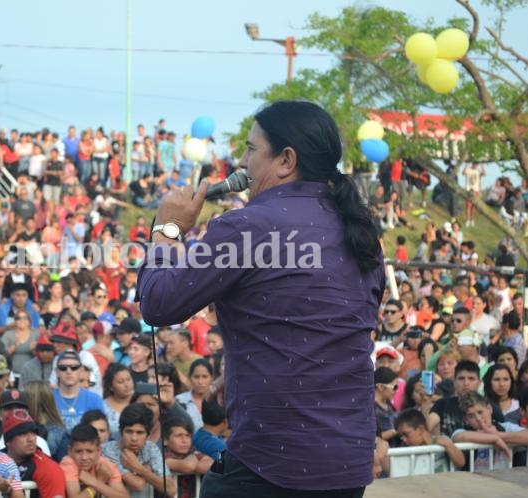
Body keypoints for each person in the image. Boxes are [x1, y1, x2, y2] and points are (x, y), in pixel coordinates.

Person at [138, 100, 384, 496]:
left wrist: (167, 229)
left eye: (251, 150)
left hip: (274, 462)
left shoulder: (246, 226)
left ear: (286, 160)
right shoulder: (360, 230)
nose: (241, 161)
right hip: (347, 462)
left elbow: (158, 303)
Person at [101, 403, 175, 498]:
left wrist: (138, 468)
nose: (134, 438)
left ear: (148, 435)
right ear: (121, 431)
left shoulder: (151, 448)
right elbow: (137, 485)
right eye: (129, 431)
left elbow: (171, 490)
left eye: (140, 433)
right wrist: (147, 469)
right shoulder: (107, 451)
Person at [2, 409, 66, 498]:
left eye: (33, 433)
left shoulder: (48, 469)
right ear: (8, 441)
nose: (31, 439)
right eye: (23, 434)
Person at [60, 424, 127, 498]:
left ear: (99, 451)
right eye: (78, 451)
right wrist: (100, 480)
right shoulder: (68, 463)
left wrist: (95, 483)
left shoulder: (105, 465)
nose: (84, 457)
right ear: (69, 451)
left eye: (89, 451)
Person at [393, 408, 465, 472]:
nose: (404, 440)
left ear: (421, 429)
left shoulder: (443, 442)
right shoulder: (405, 452)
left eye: (406, 434)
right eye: (401, 436)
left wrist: (449, 445)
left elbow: (461, 463)